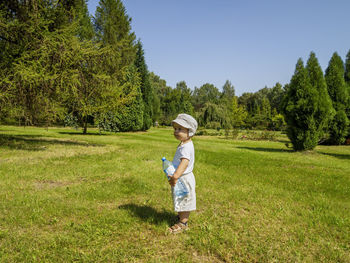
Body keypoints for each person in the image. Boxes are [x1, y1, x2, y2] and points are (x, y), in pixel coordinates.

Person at [168, 113, 198, 234]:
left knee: (184, 200)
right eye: (175, 128)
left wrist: (175, 176)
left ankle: (183, 223)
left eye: (180, 129)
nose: (176, 131)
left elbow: (184, 162)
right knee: (180, 198)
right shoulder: (184, 144)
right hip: (181, 177)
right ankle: (181, 217)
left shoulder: (186, 147)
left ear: (189, 131)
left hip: (183, 178)